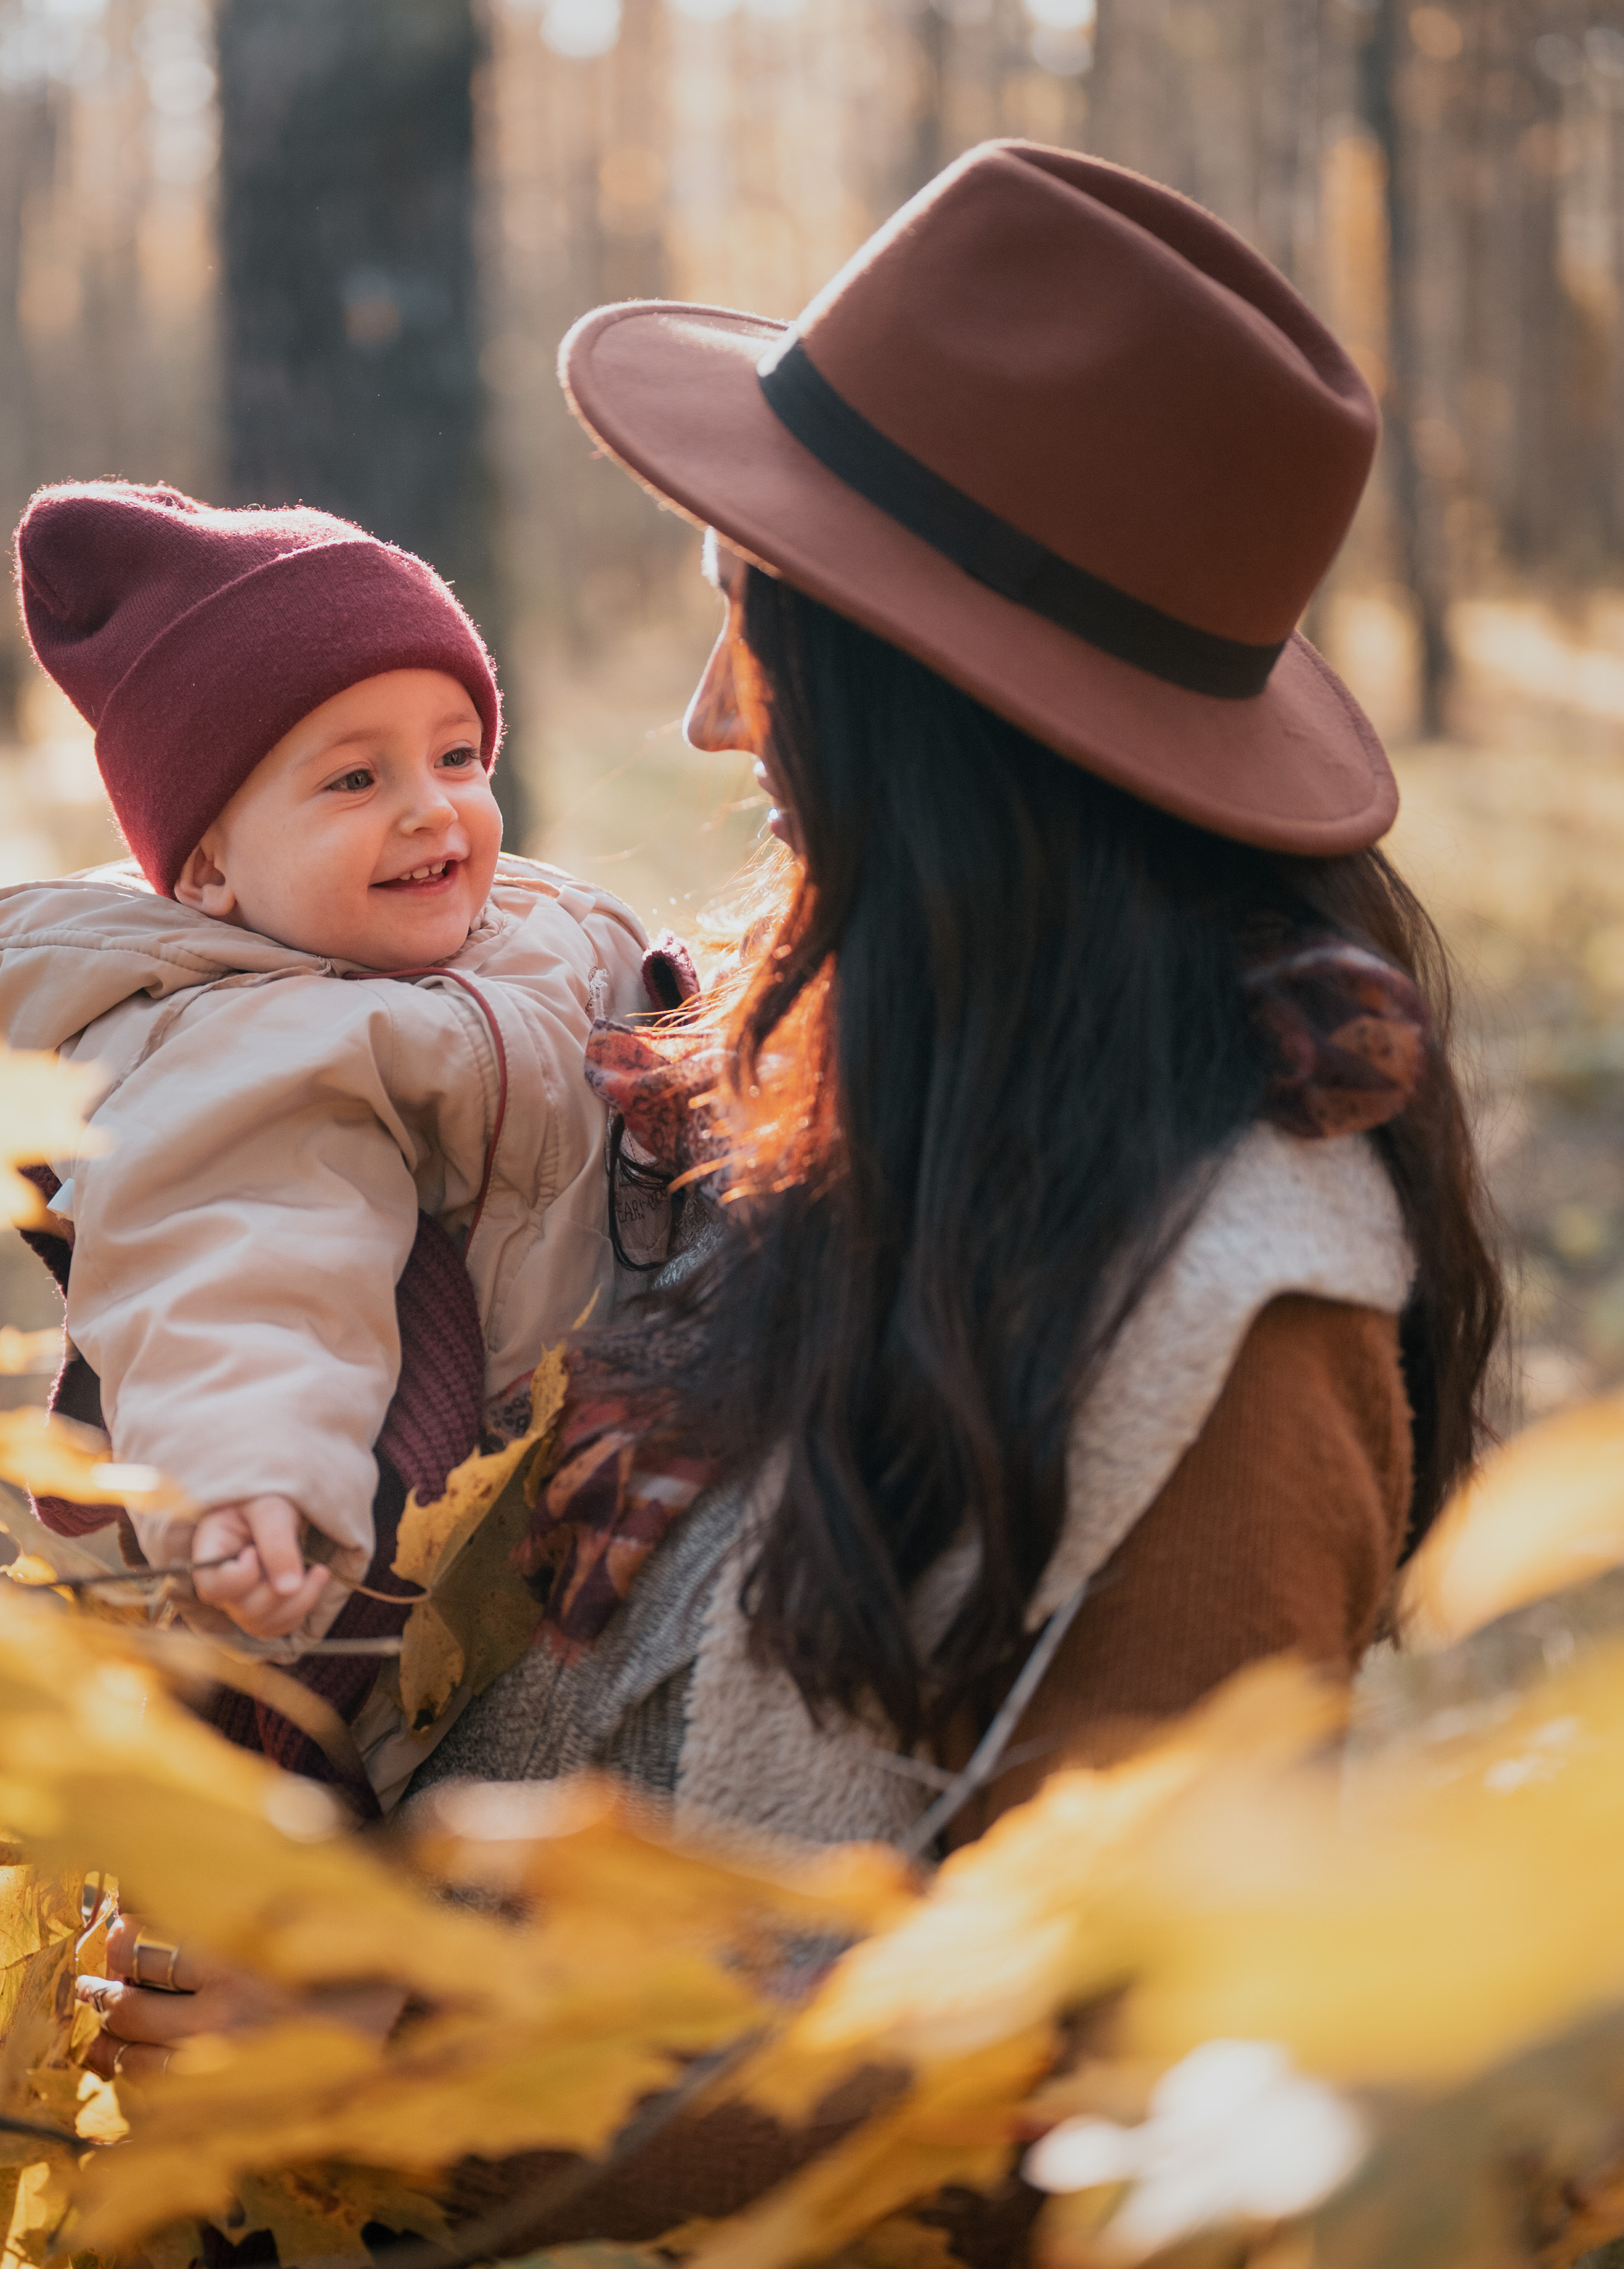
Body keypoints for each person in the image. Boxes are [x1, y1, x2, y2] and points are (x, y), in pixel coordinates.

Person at [89, 145, 1501, 2166]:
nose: (706, 715)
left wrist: (413, 2029)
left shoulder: (1238, 1329)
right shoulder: (821, 1081)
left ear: (953, 731)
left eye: (762, 628)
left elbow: (1109, 2103)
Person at [0, 481, 653, 1809]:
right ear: (210, 871)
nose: (433, 811)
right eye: (355, 778)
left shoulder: (529, 929)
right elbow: (233, 1268)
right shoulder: (240, 1051)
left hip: (595, 1495)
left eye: (458, 757)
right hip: (412, 1609)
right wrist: (244, 1483)